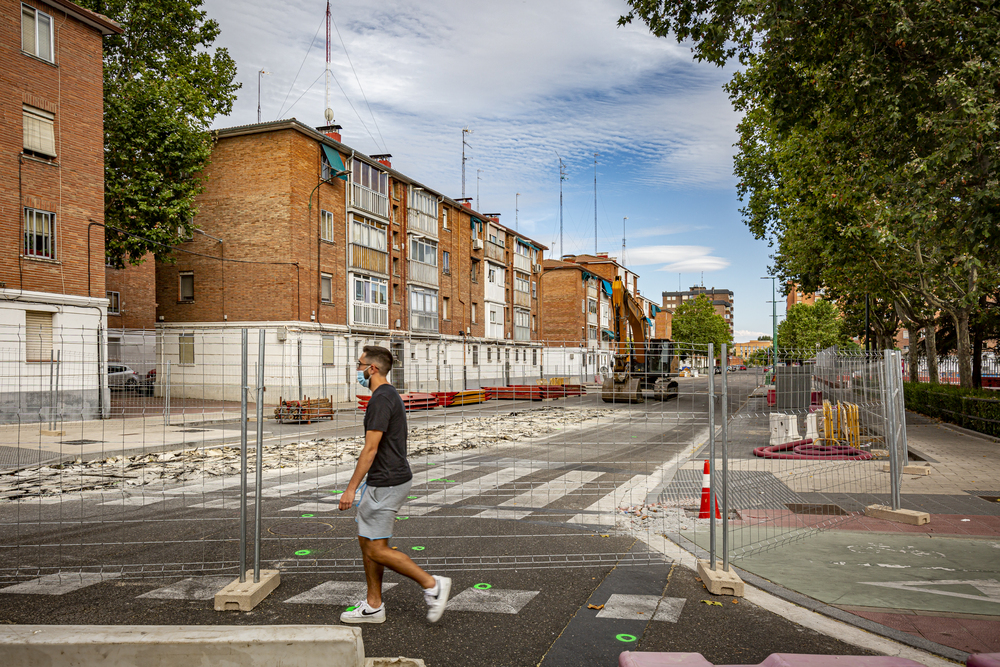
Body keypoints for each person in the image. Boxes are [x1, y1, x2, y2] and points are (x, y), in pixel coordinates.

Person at [338, 345, 451, 624]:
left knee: (376, 549)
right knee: (368, 542)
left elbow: (370, 449)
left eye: (360, 363)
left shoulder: (380, 399)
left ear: (372, 369)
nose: (358, 369)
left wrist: (351, 488)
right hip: (386, 479)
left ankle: (433, 585)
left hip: (387, 482)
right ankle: (373, 605)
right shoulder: (389, 395)